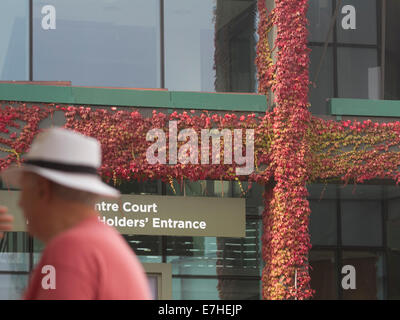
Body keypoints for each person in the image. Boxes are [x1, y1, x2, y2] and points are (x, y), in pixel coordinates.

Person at [1, 127, 151, 300]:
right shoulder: (99, 243)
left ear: (43, 189)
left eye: (24, 190)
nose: (20, 203)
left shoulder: (71, 248)